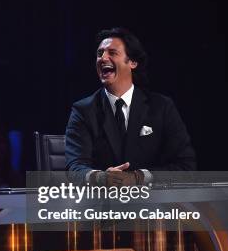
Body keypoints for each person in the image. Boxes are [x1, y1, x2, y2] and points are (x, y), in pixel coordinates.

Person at [65, 27, 196, 184]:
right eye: (100, 54)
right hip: (102, 204)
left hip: (152, 203)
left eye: (112, 53)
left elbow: (185, 166)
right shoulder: (83, 110)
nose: (103, 58)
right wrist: (100, 178)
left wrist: (139, 177)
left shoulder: (162, 107)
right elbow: (74, 168)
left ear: (132, 62)